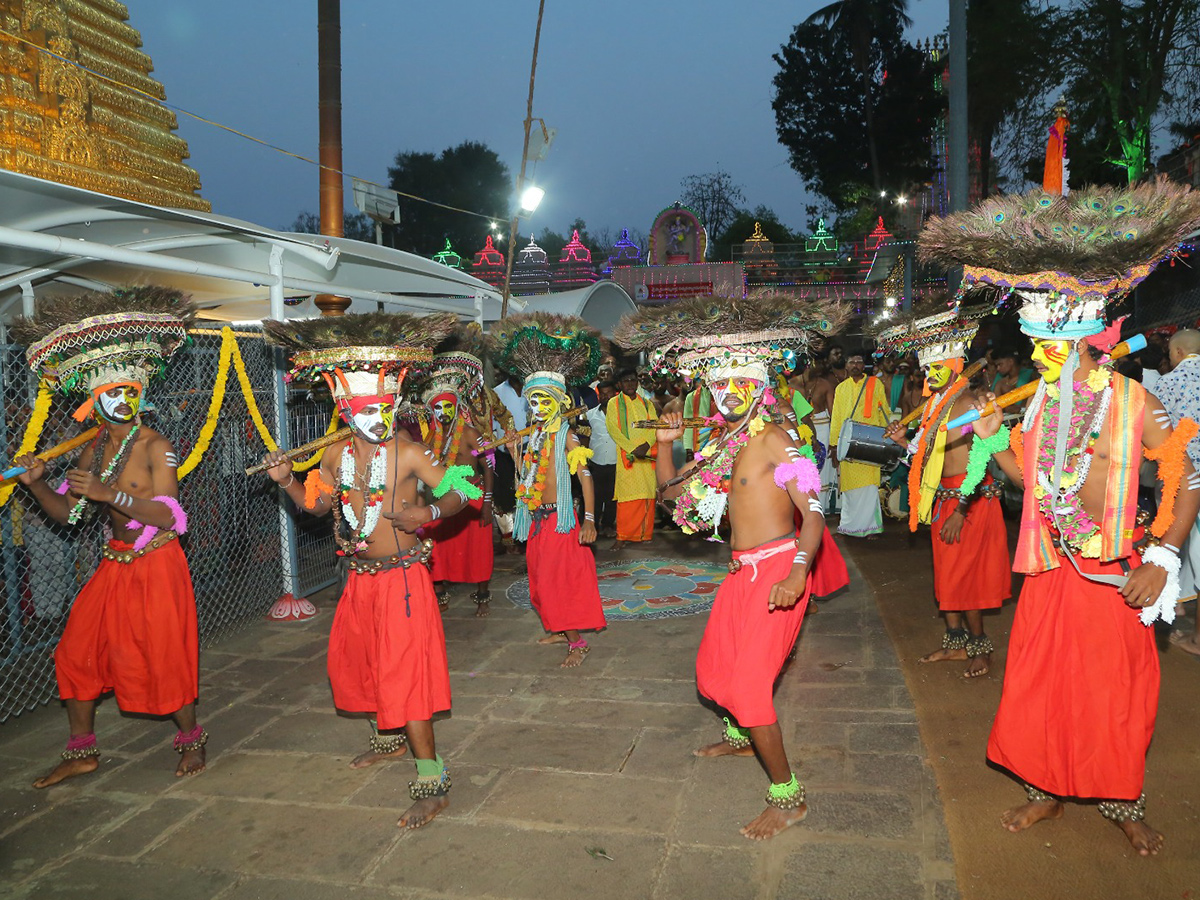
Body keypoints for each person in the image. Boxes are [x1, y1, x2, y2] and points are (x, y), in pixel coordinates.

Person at [923, 179, 1200, 855]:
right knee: (1041, 687)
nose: (1039, 355)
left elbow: (1185, 475)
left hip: (1112, 572)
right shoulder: (1043, 406)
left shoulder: (1133, 402)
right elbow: (1035, 486)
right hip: (1049, 571)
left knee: (1116, 695)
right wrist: (994, 442)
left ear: (1080, 339)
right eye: (1037, 341)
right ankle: (1044, 789)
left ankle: (1120, 800)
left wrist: (1163, 558)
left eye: (1049, 344)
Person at [614, 294, 839, 840]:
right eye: (720, 384)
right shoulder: (721, 442)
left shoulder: (778, 441)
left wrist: (798, 573)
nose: (729, 392)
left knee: (749, 684)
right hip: (742, 573)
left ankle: (788, 797)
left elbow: (815, 513)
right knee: (714, 670)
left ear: (761, 384)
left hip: (781, 568)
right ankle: (741, 736)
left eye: (740, 382)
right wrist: (665, 446)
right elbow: (672, 498)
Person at [261, 311, 476, 831]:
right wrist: (288, 480)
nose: (380, 416)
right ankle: (388, 737)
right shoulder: (333, 455)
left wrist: (427, 512)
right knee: (358, 663)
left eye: (385, 406)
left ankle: (432, 778)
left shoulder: (405, 451)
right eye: (368, 409)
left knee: (407, 675)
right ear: (345, 409)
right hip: (358, 577)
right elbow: (315, 507)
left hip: (403, 579)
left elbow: (463, 490)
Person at [9, 288, 207, 788]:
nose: (123, 401)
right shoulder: (95, 448)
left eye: (130, 392)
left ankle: (191, 739)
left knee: (164, 658)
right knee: (77, 651)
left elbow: (169, 515)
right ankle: (82, 750)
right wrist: (34, 487)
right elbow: (70, 514)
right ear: (95, 400)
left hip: (158, 563)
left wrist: (108, 494)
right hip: (114, 563)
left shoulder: (155, 445)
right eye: (111, 394)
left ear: (142, 391)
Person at [880, 310, 1011, 677]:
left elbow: (981, 459)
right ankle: (955, 643)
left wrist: (961, 510)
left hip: (969, 501)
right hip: (943, 499)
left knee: (967, 579)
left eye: (938, 364)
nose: (930, 371)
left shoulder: (970, 402)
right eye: (927, 366)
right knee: (947, 577)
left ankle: (980, 648)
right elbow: (926, 456)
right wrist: (904, 440)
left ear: (955, 363)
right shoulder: (935, 405)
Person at [489, 313, 606, 667]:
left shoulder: (566, 436)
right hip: (537, 522)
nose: (537, 408)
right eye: (533, 402)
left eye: (544, 401)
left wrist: (588, 519)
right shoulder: (536, 436)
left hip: (561, 522)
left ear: (558, 402)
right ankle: (557, 627)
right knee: (540, 583)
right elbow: (527, 478)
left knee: (561, 585)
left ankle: (577, 642)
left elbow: (585, 478)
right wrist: (512, 451)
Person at [417, 338, 495, 616]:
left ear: (456, 406)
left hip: (472, 496)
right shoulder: (430, 437)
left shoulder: (472, 433)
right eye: (438, 408)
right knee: (439, 548)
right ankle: (440, 594)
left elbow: (488, 467)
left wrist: (487, 503)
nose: (443, 412)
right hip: (443, 496)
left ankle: (483, 595)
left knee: (478, 550)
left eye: (448, 406)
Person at [1155, 329, 1200, 654]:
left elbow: (1156, 436)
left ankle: (1192, 633)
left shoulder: (1168, 383)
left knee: (1172, 539)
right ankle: (1182, 607)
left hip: (1181, 480)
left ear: (1179, 352)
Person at [829, 352, 892, 538]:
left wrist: (886, 436)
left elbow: (884, 411)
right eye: (852, 361)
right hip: (848, 443)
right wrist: (834, 445)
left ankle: (871, 527)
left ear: (864, 365)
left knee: (870, 487)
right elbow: (837, 417)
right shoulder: (841, 388)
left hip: (870, 441)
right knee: (850, 488)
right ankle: (850, 527)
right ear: (846, 366)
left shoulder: (875, 383)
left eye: (859, 361)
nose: (856, 364)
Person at [606, 368, 658, 547]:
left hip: (646, 455)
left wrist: (646, 445)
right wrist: (632, 448)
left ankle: (645, 534)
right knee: (627, 497)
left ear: (637, 382)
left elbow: (654, 426)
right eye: (626, 381)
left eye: (633, 380)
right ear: (619, 384)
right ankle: (622, 536)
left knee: (647, 495)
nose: (630, 383)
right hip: (627, 456)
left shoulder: (647, 404)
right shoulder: (614, 403)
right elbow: (613, 430)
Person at [584, 380, 619, 537]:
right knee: (596, 496)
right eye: (602, 393)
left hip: (616, 461)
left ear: (614, 394)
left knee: (613, 497)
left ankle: (608, 525)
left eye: (608, 393)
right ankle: (594, 526)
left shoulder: (621, 414)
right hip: (596, 462)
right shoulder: (590, 415)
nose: (606, 396)